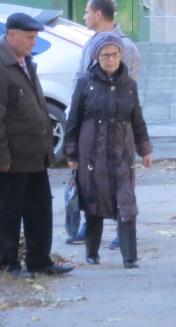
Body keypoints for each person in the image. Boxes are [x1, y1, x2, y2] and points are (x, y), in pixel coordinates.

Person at [0, 13, 74, 278]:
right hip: (11, 156)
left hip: (35, 153)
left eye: (35, 37)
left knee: (39, 208)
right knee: (9, 210)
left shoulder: (25, 60)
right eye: (29, 38)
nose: (34, 43)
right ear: (12, 35)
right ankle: (9, 264)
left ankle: (40, 261)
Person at [63, 33, 152, 268]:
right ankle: (92, 252)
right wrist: (71, 154)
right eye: (105, 55)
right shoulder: (86, 83)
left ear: (121, 56)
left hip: (122, 152)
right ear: (96, 57)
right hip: (92, 152)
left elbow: (137, 120)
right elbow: (73, 121)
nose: (110, 59)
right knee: (94, 201)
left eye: (115, 54)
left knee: (126, 201)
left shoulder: (129, 85)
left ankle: (129, 257)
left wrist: (144, 149)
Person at [66, 0, 142, 247]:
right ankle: (91, 227)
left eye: (87, 12)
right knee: (93, 177)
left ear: (98, 14)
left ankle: (124, 229)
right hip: (92, 124)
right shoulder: (90, 43)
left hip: (117, 126)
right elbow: (81, 76)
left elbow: (125, 88)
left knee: (121, 180)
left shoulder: (125, 47)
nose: (84, 16)